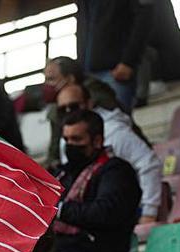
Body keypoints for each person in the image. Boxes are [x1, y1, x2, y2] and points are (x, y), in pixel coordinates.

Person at [51, 110, 142, 252]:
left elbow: (105, 212)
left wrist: (59, 209)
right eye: (66, 140)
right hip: (64, 251)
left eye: (77, 139)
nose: (70, 145)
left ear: (97, 141)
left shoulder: (116, 171)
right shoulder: (63, 174)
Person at [56, 83, 161, 224]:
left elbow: (149, 164)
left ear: (89, 103)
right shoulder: (65, 138)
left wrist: (149, 212)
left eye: (74, 106)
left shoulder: (116, 132)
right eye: (63, 110)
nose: (69, 112)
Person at [42, 56, 123, 167]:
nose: (47, 85)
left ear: (70, 79)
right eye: (45, 79)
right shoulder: (56, 109)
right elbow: (54, 151)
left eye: (51, 79)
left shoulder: (96, 96)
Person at [75, 0, 154, 112]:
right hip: (88, 75)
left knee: (118, 123)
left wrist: (128, 62)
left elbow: (144, 18)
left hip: (115, 72)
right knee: (93, 126)